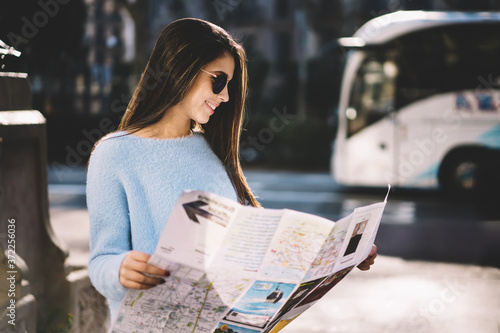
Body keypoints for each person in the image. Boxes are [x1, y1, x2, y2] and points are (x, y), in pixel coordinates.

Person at [86, 17, 377, 322]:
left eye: (229, 85)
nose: (225, 96)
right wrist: (120, 269)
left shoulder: (210, 147)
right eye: (219, 80)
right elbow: (101, 262)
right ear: (180, 68)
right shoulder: (114, 154)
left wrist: (342, 254)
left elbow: (253, 248)